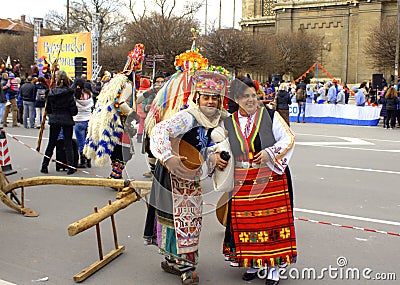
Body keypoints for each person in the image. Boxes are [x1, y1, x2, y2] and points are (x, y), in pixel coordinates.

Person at [144, 71, 229, 285]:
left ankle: (176, 260)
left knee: (190, 220)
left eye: (214, 97)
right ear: (197, 98)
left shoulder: (216, 122)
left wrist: (214, 157)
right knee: (178, 220)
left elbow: (204, 149)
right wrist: (168, 157)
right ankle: (185, 266)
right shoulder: (188, 117)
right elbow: (159, 131)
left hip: (190, 174)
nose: (210, 101)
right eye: (206, 96)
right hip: (173, 174)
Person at [220, 76, 297, 285]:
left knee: (271, 223)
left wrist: (270, 153)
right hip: (242, 180)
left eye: (254, 95)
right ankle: (254, 262)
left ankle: (273, 267)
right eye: (245, 96)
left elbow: (288, 138)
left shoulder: (270, 116)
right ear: (236, 98)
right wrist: (217, 157)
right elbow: (220, 147)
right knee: (248, 224)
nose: (251, 100)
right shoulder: (228, 122)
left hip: (270, 178)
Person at [40, 70, 78, 175]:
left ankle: (44, 166)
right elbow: (74, 111)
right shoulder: (69, 94)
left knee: (51, 143)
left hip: (55, 119)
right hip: (66, 120)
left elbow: (49, 109)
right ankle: (70, 166)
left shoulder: (51, 93)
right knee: (68, 143)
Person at [73, 77, 93, 168]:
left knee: (81, 142)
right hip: (88, 119)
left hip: (79, 119)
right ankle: (89, 160)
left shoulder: (75, 95)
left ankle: (82, 160)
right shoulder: (89, 94)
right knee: (87, 140)